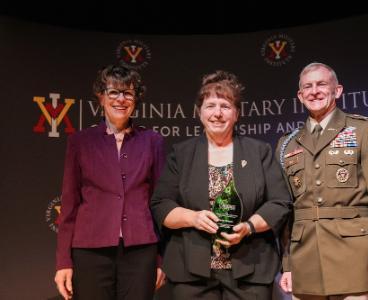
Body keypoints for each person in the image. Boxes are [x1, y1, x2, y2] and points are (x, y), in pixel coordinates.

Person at [151, 70, 291, 299]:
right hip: (192, 272)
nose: (217, 113)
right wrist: (192, 218)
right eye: (210, 105)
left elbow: (279, 202)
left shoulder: (259, 151)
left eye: (225, 106)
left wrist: (248, 227)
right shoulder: (182, 154)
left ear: (236, 114)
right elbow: (160, 204)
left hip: (249, 270)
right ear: (199, 112)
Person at [277, 62, 368, 299]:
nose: (314, 91)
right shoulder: (287, 144)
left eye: (321, 84)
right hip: (305, 265)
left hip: (355, 262)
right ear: (300, 95)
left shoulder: (362, 131)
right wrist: (288, 264)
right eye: (308, 86)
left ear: (338, 90)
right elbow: (288, 211)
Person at [54, 65, 165, 300]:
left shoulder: (152, 141)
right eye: (114, 92)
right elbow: (70, 205)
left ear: (136, 99)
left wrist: (160, 258)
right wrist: (63, 261)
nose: (121, 99)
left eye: (128, 93)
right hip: (90, 250)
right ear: (101, 96)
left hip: (141, 251)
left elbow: (159, 204)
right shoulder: (80, 141)